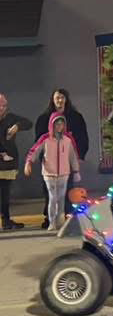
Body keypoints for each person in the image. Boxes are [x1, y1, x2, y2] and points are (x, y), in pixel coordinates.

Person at [34, 88, 88, 228]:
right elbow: (38, 142)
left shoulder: (76, 117)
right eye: (57, 97)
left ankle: (66, 217)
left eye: (62, 97)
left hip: (67, 164)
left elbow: (82, 138)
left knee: (67, 190)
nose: (60, 100)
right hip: (49, 165)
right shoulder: (43, 119)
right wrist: (39, 159)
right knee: (50, 193)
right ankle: (49, 219)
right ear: (52, 100)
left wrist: (79, 156)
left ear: (66, 99)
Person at [25, 113, 81, 231]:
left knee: (61, 198)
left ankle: (60, 221)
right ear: (52, 124)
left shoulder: (68, 139)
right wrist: (29, 163)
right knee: (52, 197)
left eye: (61, 123)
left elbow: (73, 156)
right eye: (57, 123)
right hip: (49, 173)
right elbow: (34, 151)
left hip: (64, 173)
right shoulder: (45, 138)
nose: (59, 126)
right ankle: (52, 222)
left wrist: (76, 171)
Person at [0, 95, 33, 231]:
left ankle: (6, 221)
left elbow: (29, 123)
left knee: (5, 193)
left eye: (3, 106)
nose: (1, 108)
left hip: (8, 164)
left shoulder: (10, 118)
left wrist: (17, 126)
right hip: (3, 158)